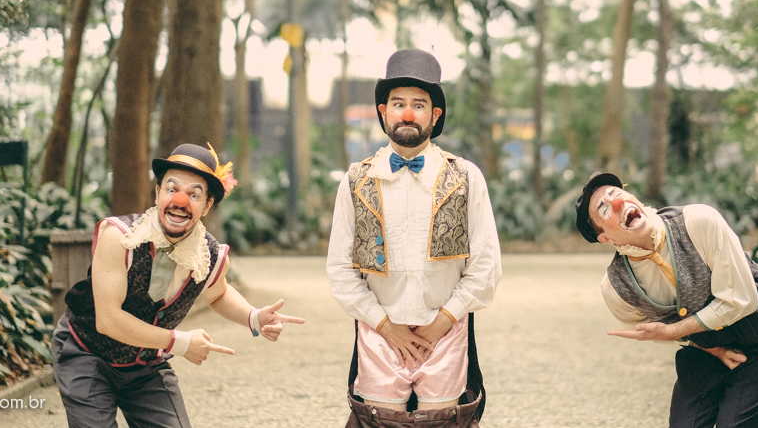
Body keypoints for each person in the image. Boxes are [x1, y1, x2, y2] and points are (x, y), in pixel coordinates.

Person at [52, 143, 304, 428]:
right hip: (86, 352)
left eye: (194, 194)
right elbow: (108, 320)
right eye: (172, 189)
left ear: (207, 205)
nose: (180, 201)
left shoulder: (209, 255)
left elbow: (218, 293)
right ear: (158, 192)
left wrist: (252, 317)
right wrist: (180, 342)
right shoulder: (119, 237)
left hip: (144, 365)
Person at [327, 48, 502, 428]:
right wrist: (384, 324)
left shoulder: (466, 177)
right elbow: (340, 268)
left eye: (419, 105)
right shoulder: (357, 180)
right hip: (378, 332)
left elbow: (486, 264)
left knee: (443, 423)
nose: (408, 113)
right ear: (383, 111)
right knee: (378, 423)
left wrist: (443, 321)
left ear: (435, 115)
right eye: (399, 103)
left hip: (446, 330)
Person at [575, 172, 758, 428]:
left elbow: (742, 299)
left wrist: (673, 331)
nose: (616, 203)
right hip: (706, 349)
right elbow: (655, 328)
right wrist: (710, 348)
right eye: (604, 209)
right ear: (605, 238)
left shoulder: (698, 221)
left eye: (616, 193)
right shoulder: (616, 288)